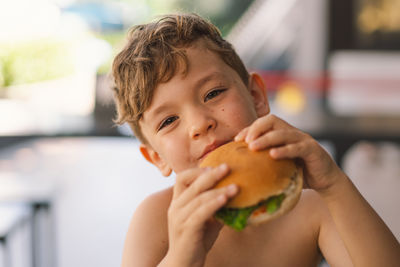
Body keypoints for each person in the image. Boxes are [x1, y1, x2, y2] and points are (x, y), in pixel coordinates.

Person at [111, 13, 400, 267]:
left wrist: (334, 185)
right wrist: (182, 258)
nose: (199, 124)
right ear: (157, 157)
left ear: (256, 97)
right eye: (168, 121)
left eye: (213, 93)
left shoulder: (308, 205)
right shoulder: (156, 220)